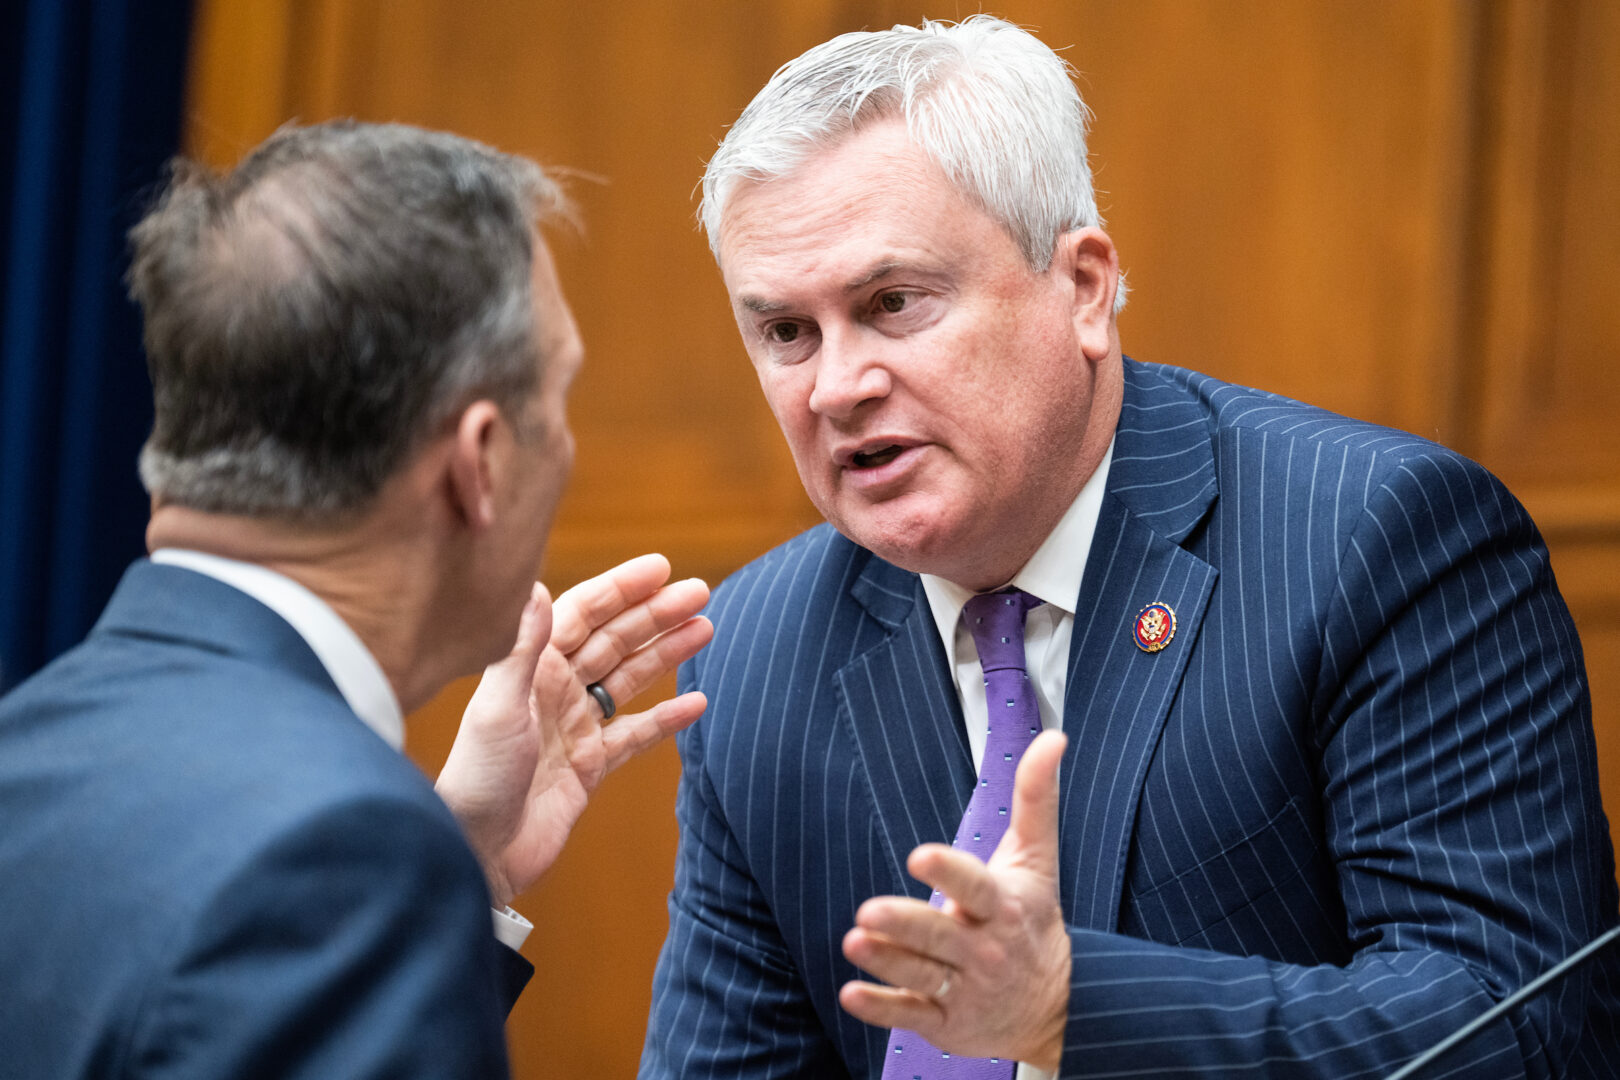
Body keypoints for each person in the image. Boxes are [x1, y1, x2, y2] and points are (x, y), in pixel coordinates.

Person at [640, 16, 1620, 1078]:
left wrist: (1068, 1007)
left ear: (1086, 288)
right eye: (787, 332)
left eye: (894, 303)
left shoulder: (1375, 542)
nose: (835, 387)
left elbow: (1513, 1029)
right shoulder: (753, 651)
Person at [0, 120, 713, 1078]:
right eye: (560, 398)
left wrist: (460, 865)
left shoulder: (27, 744)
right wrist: (405, 873)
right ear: (482, 462)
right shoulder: (347, 860)